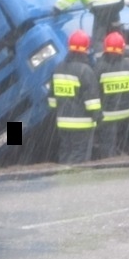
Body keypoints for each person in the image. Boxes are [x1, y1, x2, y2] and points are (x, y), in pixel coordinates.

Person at [47, 29, 102, 164]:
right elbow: (92, 103)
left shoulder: (58, 69)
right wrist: (98, 118)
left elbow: (52, 101)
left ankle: (63, 175)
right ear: (86, 49)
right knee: (79, 156)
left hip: (62, 123)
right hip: (82, 124)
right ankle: (74, 177)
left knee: (65, 152)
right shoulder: (86, 71)